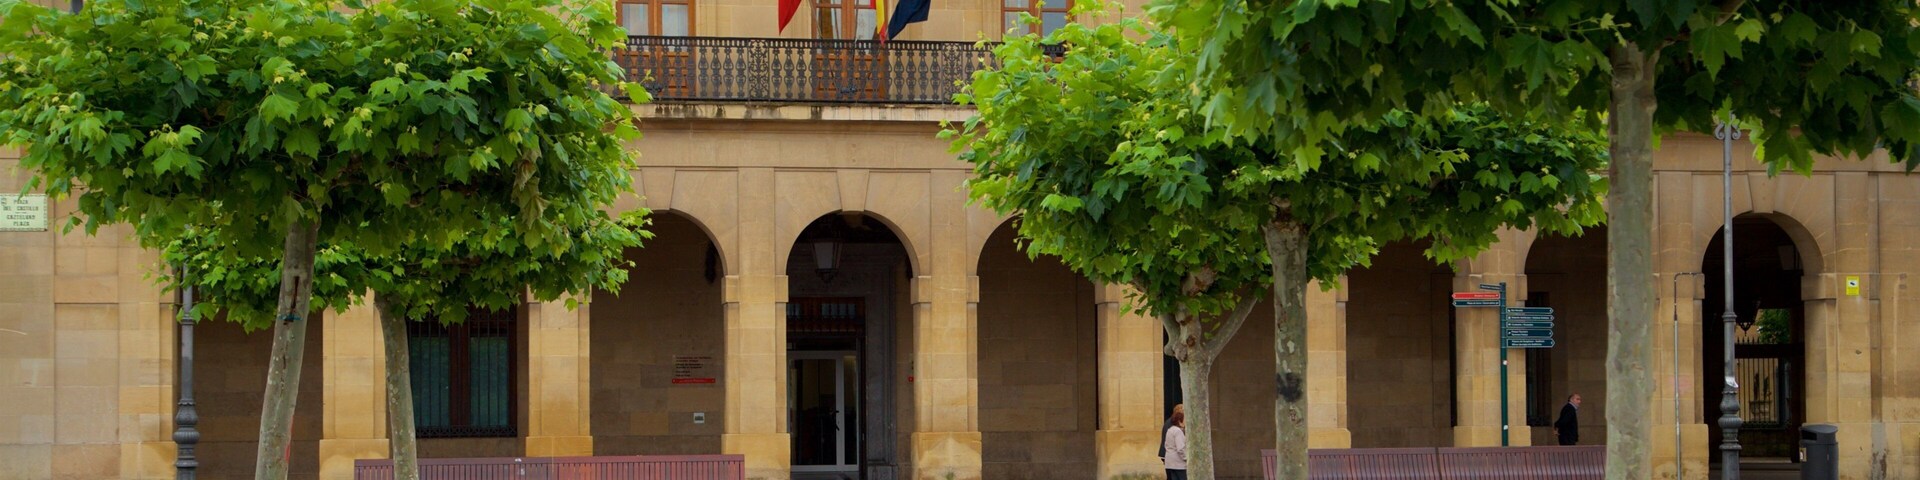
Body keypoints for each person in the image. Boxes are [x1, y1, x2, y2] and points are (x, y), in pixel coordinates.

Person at [1163, 411, 1187, 480]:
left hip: (1169, 463)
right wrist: (1186, 458)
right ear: (1180, 421)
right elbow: (1181, 448)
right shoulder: (1178, 431)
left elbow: (1166, 445)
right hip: (1178, 464)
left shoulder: (1170, 430)